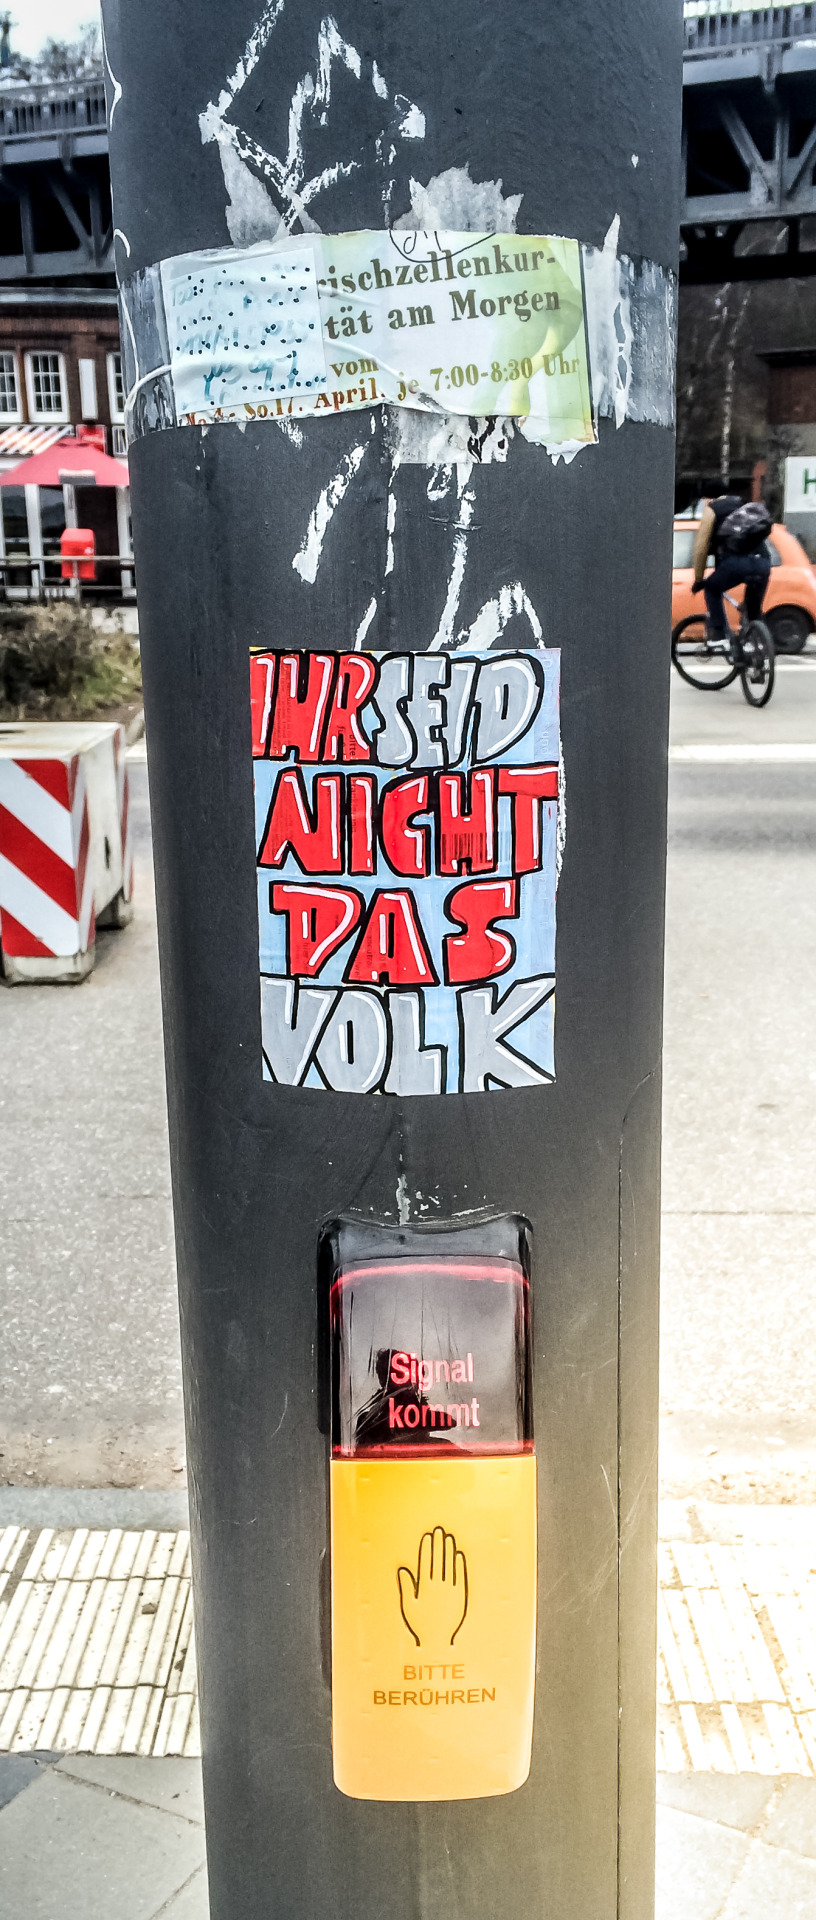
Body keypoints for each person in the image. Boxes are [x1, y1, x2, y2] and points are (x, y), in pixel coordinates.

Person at [691, 494, 771, 659]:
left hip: (737, 564)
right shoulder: (743, 503)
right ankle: (758, 650)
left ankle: (719, 635)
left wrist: (699, 578)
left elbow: (701, 548)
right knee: (753, 610)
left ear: (707, 498)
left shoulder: (712, 510)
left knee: (712, 588)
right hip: (763, 562)